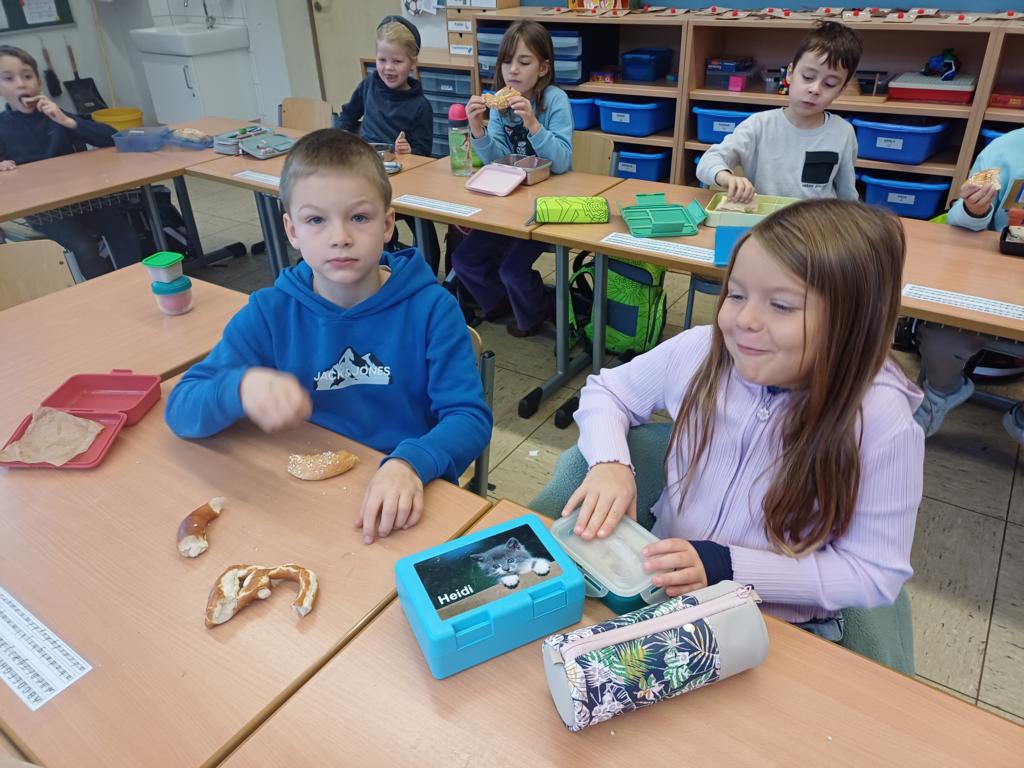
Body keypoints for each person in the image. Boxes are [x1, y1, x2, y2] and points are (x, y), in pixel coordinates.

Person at [561, 200, 924, 639]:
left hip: (776, 622)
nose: (745, 320)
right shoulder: (701, 350)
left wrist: (729, 567)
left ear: (852, 323)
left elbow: (873, 573)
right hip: (661, 582)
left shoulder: (880, 422)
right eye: (735, 294)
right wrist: (610, 463)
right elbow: (607, 391)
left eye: (782, 305)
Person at [165, 129, 492, 544]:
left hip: (401, 488)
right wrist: (239, 388)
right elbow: (181, 409)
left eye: (359, 217)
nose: (340, 237)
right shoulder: (270, 313)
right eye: (316, 220)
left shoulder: (432, 310)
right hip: (302, 497)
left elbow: (469, 418)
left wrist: (412, 461)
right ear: (291, 230)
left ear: (387, 224)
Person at [452, 20, 574, 337]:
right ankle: (501, 302)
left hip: (547, 208)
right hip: (508, 202)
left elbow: (562, 162)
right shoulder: (500, 105)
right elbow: (496, 161)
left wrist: (533, 124)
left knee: (512, 270)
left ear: (543, 68)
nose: (513, 71)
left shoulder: (555, 100)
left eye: (524, 62)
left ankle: (536, 310)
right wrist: (477, 129)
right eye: (507, 62)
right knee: (464, 259)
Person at [913, 126, 1024, 445]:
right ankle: (941, 391)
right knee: (941, 334)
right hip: (993, 277)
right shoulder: (1004, 151)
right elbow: (959, 227)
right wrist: (975, 210)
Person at [0, 45, 142, 279]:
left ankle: (136, 283)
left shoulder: (55, 115)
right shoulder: (3, 126)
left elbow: (111, 137)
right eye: (8, 78)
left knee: (124, 233)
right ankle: (107, 291)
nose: (21, 84)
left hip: (81, 197)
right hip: (41, 208)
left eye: (27, 76)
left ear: (39, 83)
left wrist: (68, 121)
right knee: (83, 247)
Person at [696, 21, 862, 204]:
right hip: (767, 218)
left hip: (816, 220)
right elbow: (708, 161)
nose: (815, 89)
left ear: (840, 90)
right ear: (790, 73)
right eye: (808, 77)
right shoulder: (759, 125)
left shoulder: (843, 133)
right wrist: (728, 178)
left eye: (829, 84)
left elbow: (847, 197)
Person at [334, 16, 437, 259]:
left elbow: (424, 153)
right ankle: (378, 257)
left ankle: (426, 269)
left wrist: (409, 151)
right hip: (365, 175)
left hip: (404, 181)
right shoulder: (369, 85)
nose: (388, 68)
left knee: (423, 227)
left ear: (412, 63)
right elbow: (347, 116)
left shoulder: (420, 106)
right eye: (382, 60)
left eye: (397, 61)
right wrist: (340, 139)